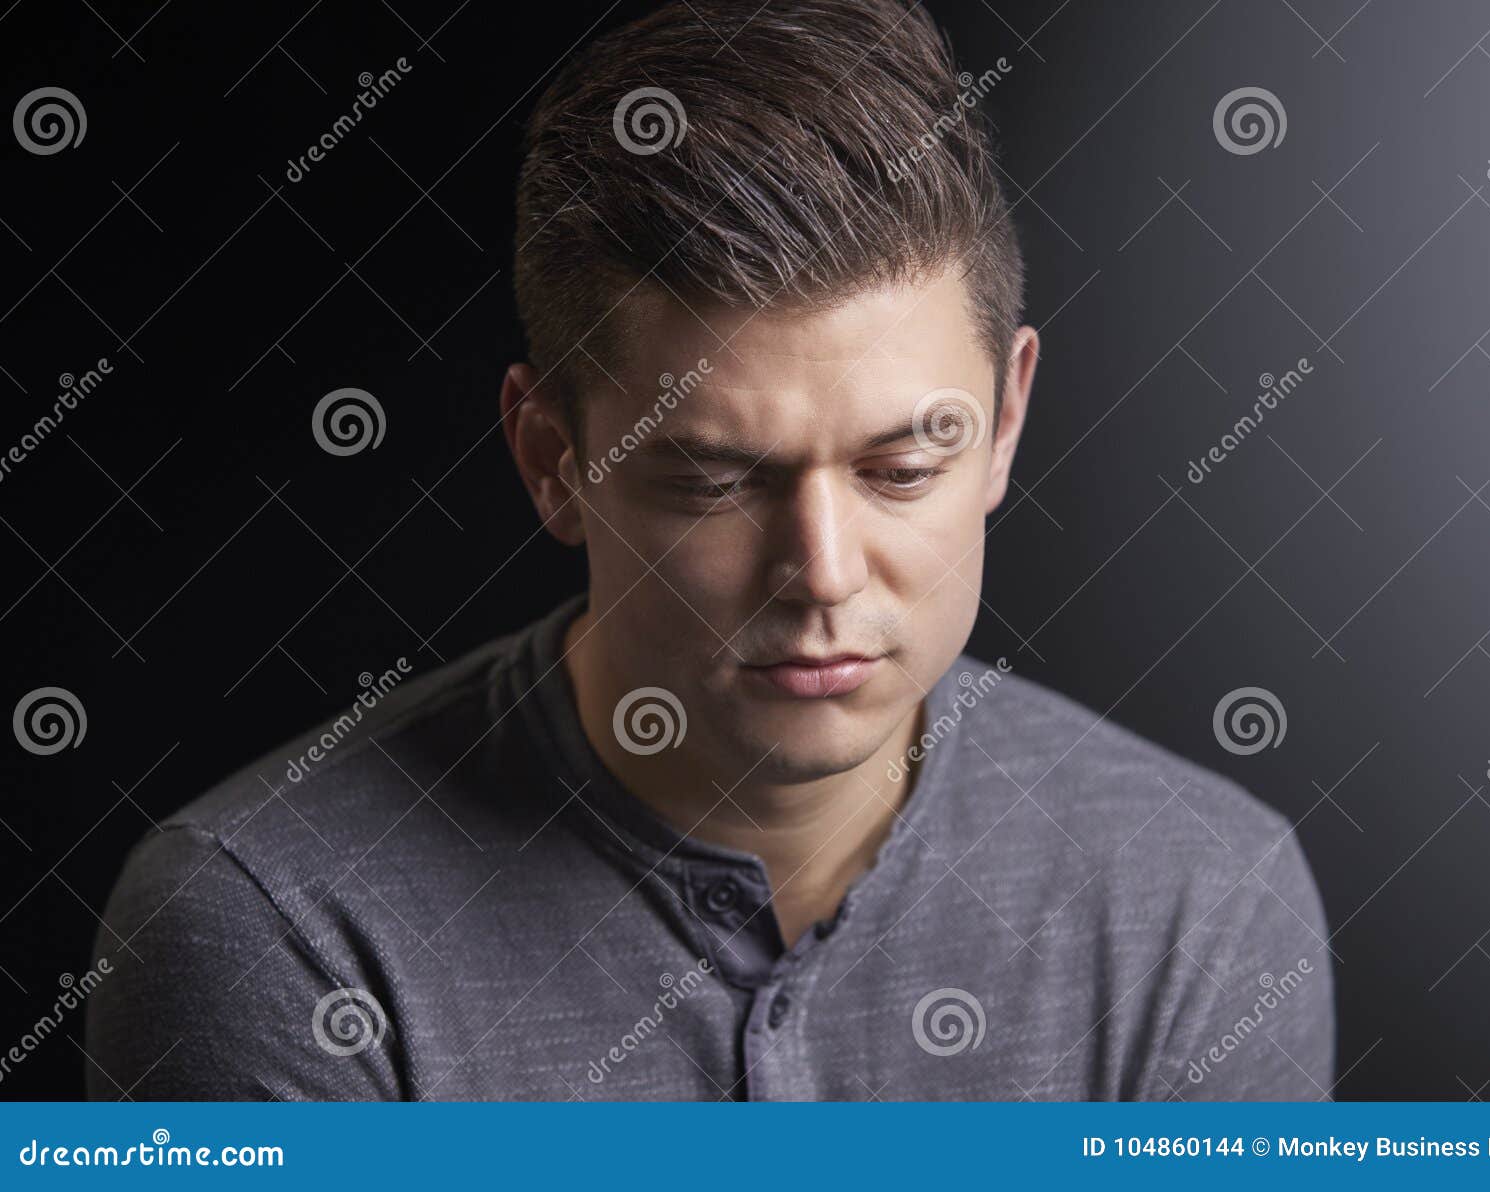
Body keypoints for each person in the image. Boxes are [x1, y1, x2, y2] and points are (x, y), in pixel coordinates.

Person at [85, 0, 1333, 1101]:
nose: (825, 573)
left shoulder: (1199, 901)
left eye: (902, 469)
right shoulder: (267, 933)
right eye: (715, 480)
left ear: (1005, 423)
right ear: (549, 459)